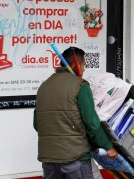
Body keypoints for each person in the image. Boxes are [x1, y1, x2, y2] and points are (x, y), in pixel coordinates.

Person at [34, 47, 119, 179]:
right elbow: (92, 123)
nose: (84, 69)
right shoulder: (80, 86)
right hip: (74, 158)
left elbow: (37, 124)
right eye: (84, 65)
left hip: (49, 160)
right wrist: (108, 147)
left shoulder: (44, 86)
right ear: (76, 64)